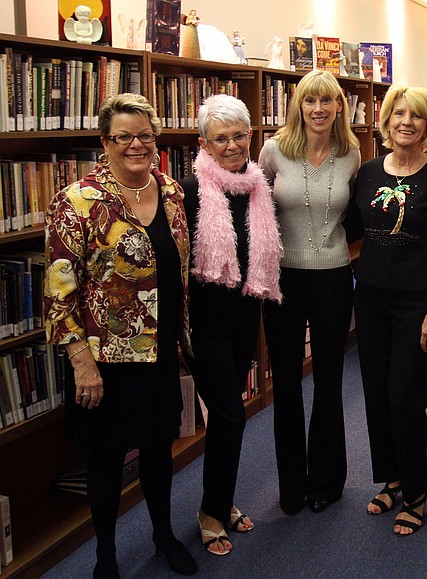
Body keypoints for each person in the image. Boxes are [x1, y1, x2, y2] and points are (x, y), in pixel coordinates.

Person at [45, 93, 197, 577]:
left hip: (160, 352)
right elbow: (59, 290)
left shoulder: (172, 192)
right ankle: (106, 555)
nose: (136, 144)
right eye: (123, 136)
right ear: (104, 142)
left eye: (145, 135)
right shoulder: (76, 202)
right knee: (107, 459)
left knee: (157, 450)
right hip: (105, 358)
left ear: (156, 141)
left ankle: (163, 536)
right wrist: (81, 364)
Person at [349, 85, 427, 535]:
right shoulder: (369, 172)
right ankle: (391, 477)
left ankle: (415, 493)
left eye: (415, 115)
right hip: (371, 298)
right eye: (398, 113)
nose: (405, 122)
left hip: (418, 302)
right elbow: (352, 227)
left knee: (406, 398)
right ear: (386, 121)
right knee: (376, 395)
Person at [180, 94, 281, 555]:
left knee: (230, 416)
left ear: (251, 137)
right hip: (203, 325)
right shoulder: (188, 190)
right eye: (220, 138)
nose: (232, 145)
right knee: (229, 415)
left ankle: (222, 499)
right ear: (204, 143)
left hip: (245, 318)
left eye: (239, 135)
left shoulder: (259, 187)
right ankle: (210, 510)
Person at [258, 70, 361, 516]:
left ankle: (326, 482)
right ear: (297, 106)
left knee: (329, 382)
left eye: (326, 101)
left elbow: (354, 216)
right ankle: (290, 486)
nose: (318, 109)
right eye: (308, 101)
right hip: (283, 279)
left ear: (339, 106)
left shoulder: (352, 154)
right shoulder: (272, 150)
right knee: (285, 382)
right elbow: (256, 208)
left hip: (334, 277)